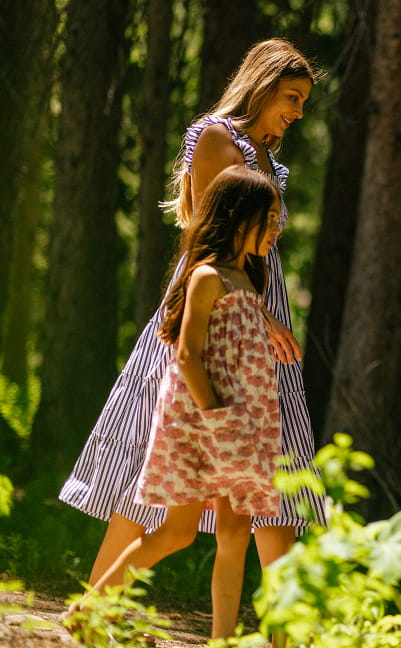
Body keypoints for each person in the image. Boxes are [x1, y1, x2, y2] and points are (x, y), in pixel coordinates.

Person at [58, 38, 325, 639]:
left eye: (305, 102)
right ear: (261, 84)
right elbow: (211, 236)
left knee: (274, 470)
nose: (299, 113)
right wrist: (259, 315)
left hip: (261, 311)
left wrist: (268, 315)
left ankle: (288, 632)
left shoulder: (268, 158)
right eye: (292, 97)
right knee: (145, 469)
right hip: (214, 307)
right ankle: (92, 615)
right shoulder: (215, 138)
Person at [68, 165, 285, 627]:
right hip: (202, 422)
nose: (274, 230)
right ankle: (86, 611)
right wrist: (216, 417)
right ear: (238, 217)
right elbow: (187, 355)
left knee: (235, 532)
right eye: (267, 220)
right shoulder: (206, 276)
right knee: (176, 532)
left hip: (241, 424)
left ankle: (223, 639)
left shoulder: (248, 278)